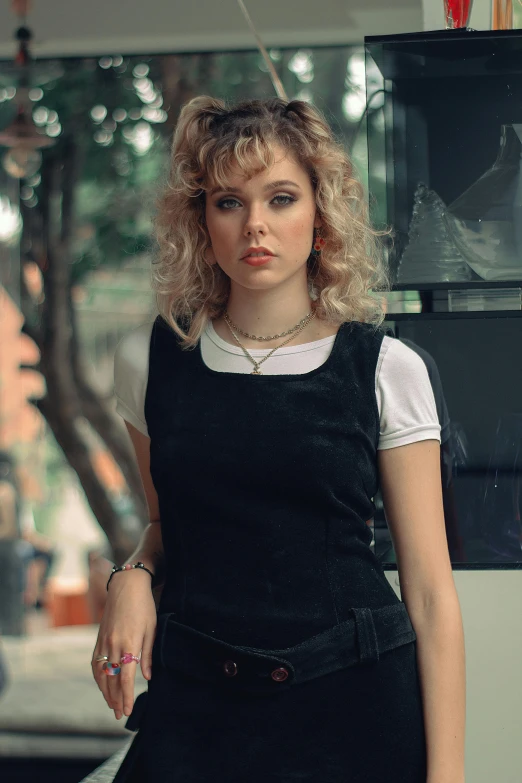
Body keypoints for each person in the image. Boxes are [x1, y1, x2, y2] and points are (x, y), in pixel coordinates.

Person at [91, 97, 466, 782]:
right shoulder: (150, 360)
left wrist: (447, 776)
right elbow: (165, 523)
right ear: (202, 222)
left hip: (355, 705)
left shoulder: (387, 367)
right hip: (196, 708)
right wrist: (132, 576)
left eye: (281, 198)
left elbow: (431, 593)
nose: (255, 225)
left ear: (320, 214)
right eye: (229, 202)